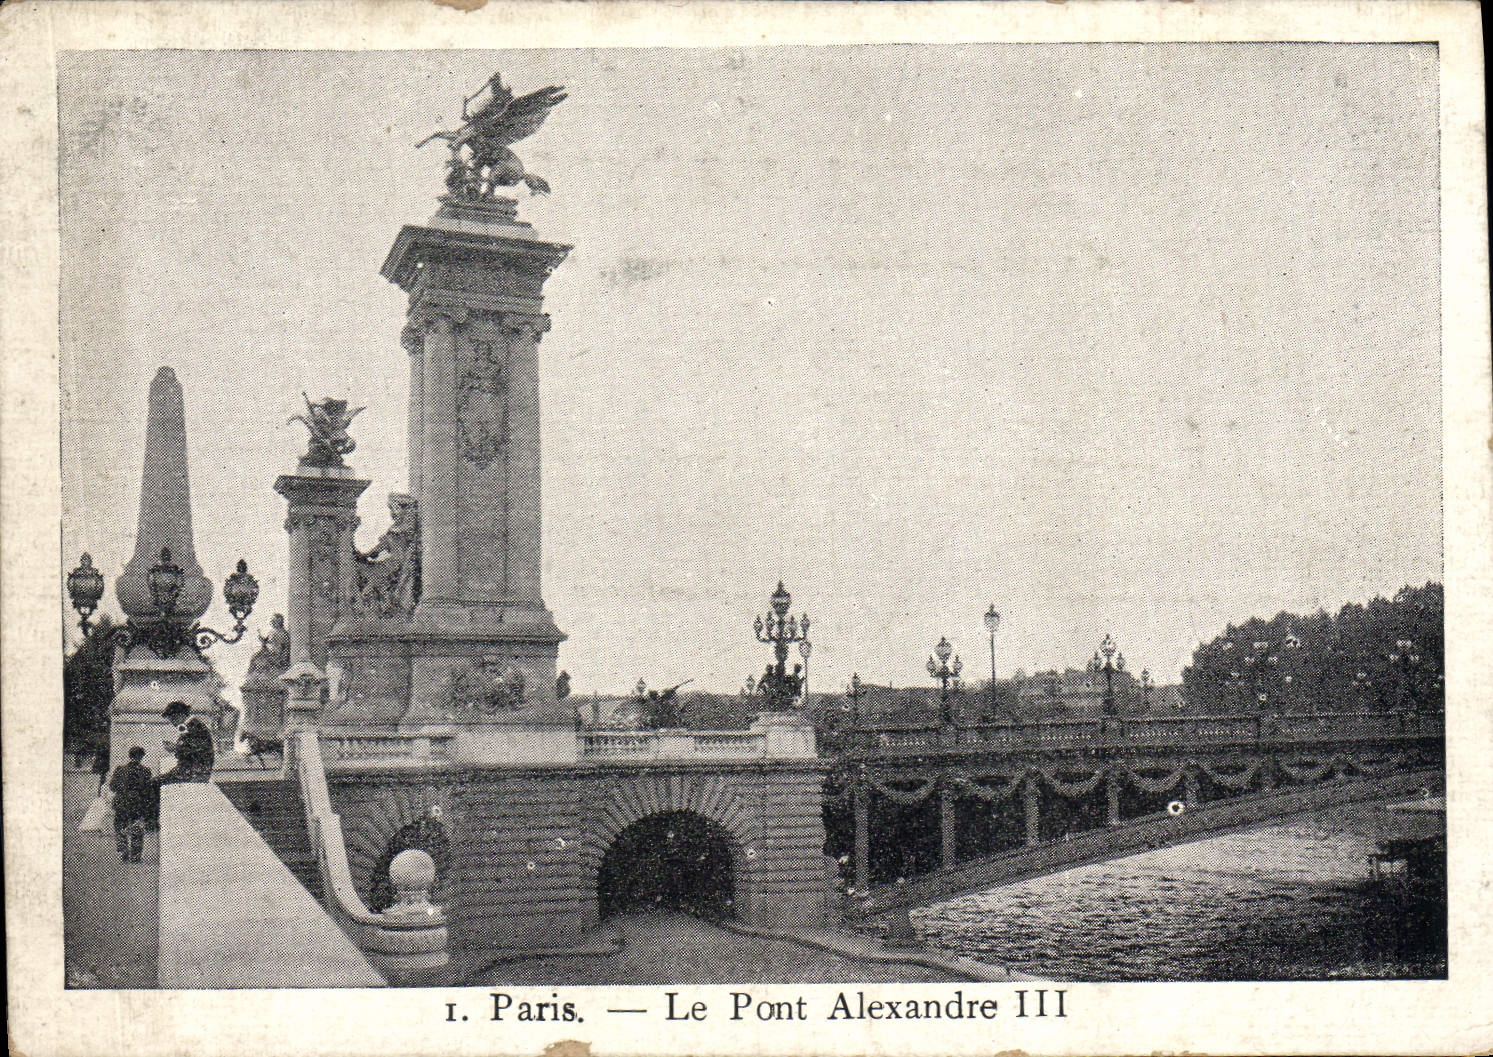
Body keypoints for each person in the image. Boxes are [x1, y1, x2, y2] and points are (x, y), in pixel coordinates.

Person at [108, 747, 153, 863]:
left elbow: (112, 786)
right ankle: (135, 855)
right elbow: (148, 791)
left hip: (122, 803)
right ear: (141, 757)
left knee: (120, 826)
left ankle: (123, 848)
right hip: (138, 804)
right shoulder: (146, 771)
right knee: (137, 827)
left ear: (130, 756)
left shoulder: (120, 769)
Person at [157, 701, 215, 785]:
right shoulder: (193, 725)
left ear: (181, 715)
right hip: (193, 770)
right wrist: (176, 747)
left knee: (155, 783)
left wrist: (175, 748)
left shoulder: (194, 726)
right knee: (157, 781)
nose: (173, 723)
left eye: (173, 719)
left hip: (195, 772)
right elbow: (191, 747)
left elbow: (194, 750)